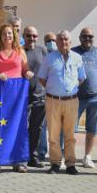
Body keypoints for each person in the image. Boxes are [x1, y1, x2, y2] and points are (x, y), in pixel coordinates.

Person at [0, 24, 33, 173]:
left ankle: (18, 161)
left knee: (18, 127)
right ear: (0, 36)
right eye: (5, 34)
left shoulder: (20, 51)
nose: (7, 36)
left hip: (17, 97)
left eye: (10, 34)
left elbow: (26, 70)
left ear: (14, 36)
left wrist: (28, 73)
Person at [37, 30, 86, 175]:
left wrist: (69, 88)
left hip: (72, 101)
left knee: (70, 135)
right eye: (61, 40)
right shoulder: (49, 58)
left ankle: (70, 164)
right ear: (56, 42)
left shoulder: (77, 58)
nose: (63, 42)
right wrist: (54, 88)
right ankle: (55, 163)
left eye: (66, 40)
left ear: (70, 42)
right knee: (53, 134)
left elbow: (81, 78)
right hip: (53, 101)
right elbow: (42, 78)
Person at [72, 28, 97, 169]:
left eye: (90, 36)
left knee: (92, 129)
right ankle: (68, 156)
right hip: (76, 98)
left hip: (96, 98)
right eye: (84, 36)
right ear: (80, 38)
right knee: (70, 129)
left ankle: (87, 157)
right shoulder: (73, 52)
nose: (87, 39)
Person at [22, 26, 47, 168]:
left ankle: (33, 156)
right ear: (23, 36)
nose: (31, 38)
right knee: (23, 128)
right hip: (22, 98)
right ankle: (21, 156)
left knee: (36, 128)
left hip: (39, 96)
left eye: (34, 36)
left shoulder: (42, 50)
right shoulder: (19, 51)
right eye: (28, 35)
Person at [36, 31, 58, 160]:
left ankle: (57, 153)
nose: (52, 43)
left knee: (57, 126)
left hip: (60, 97)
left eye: (53, 40)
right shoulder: (43, 56)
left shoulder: (61, 55)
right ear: (45, 43)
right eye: (49, 40)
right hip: (45, 95)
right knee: (43, 125)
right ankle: (42, 152)